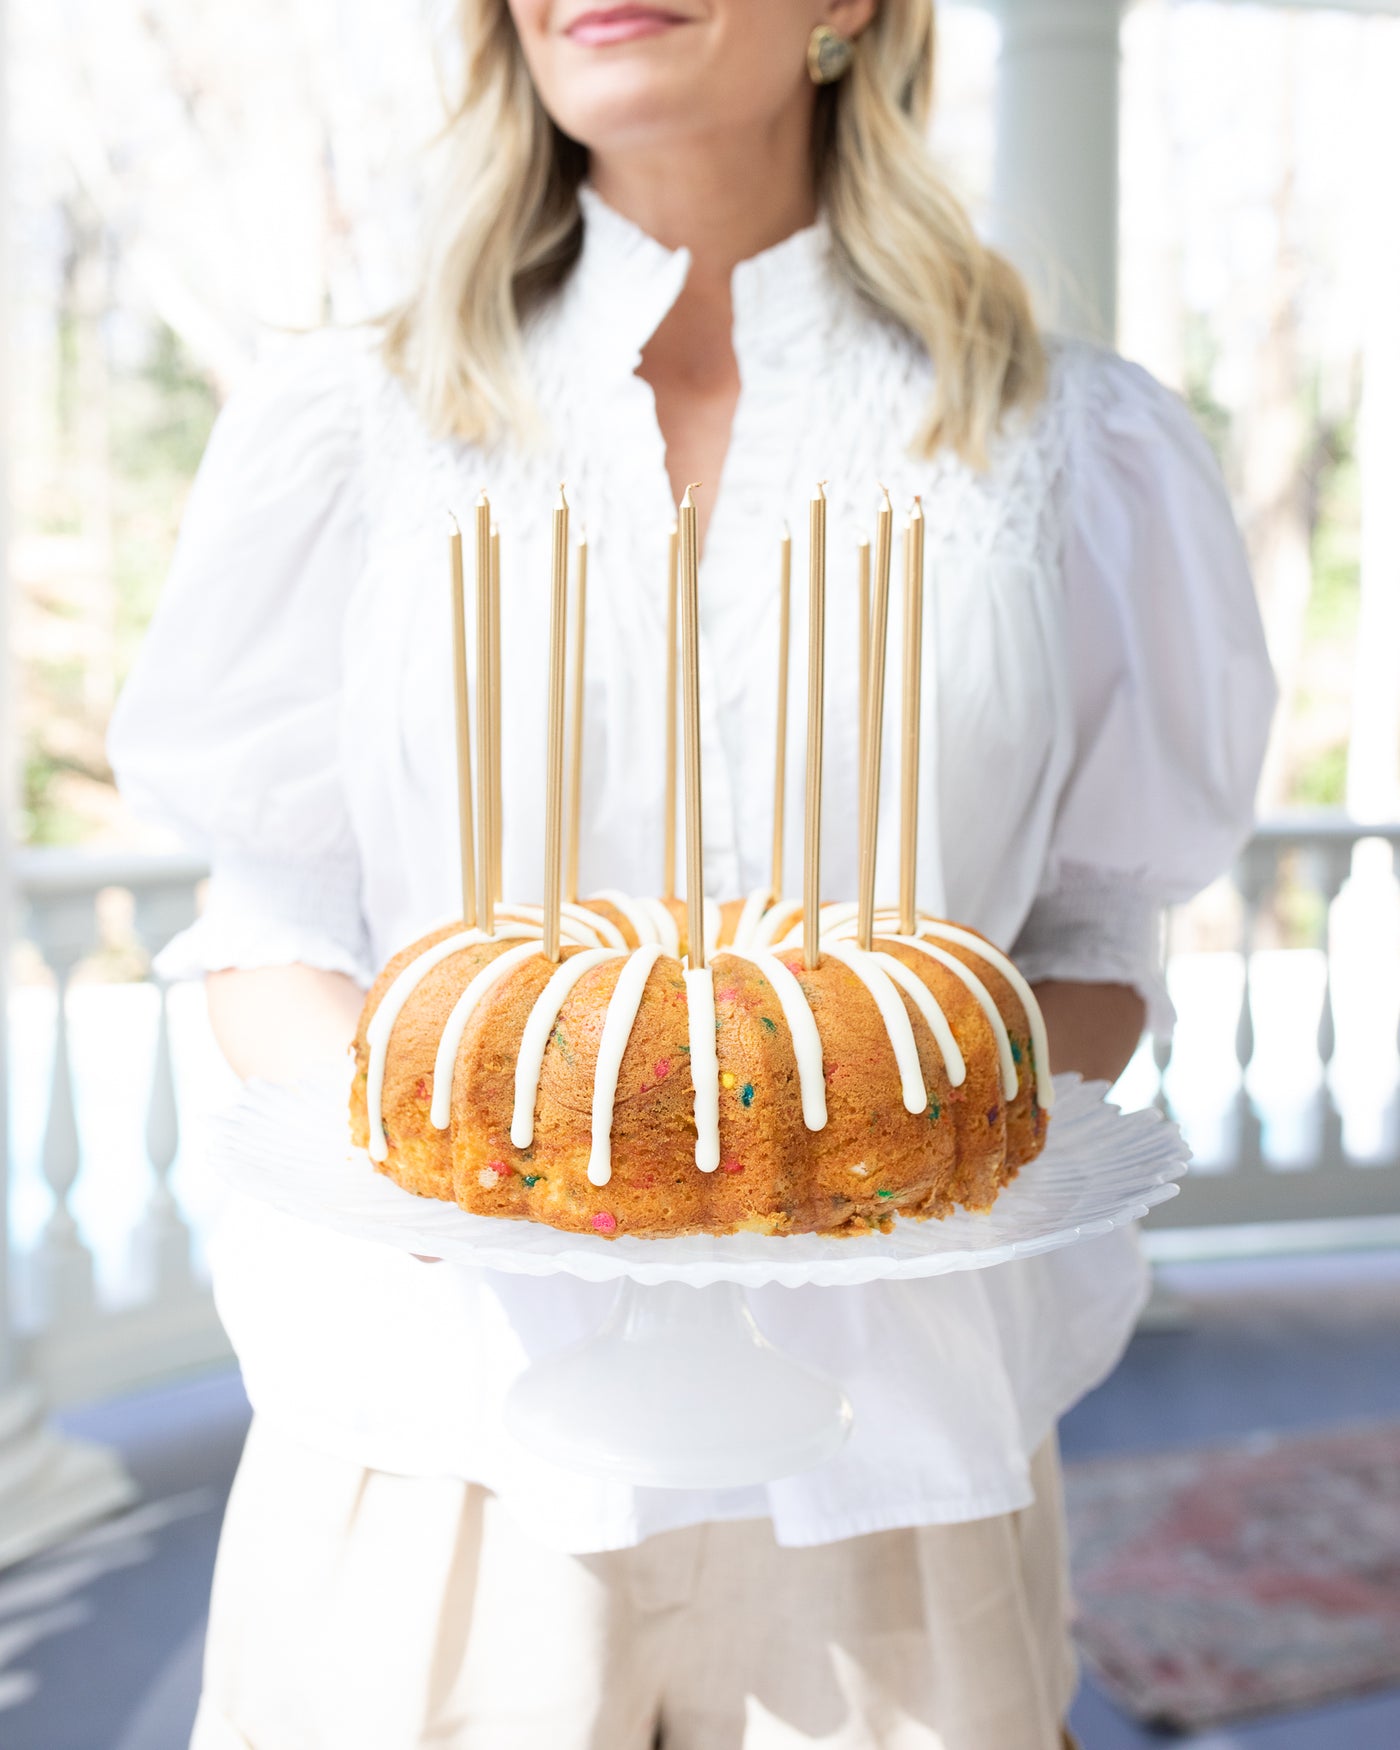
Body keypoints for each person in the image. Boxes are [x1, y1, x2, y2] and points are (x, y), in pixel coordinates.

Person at [109, 3, 1276, 1746]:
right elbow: (267, 908)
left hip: (899, 1473)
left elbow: (1102, 919)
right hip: (442, 1444)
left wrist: (901, 1121)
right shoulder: (356, 423)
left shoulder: (1063, 441)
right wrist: (446, 1143)